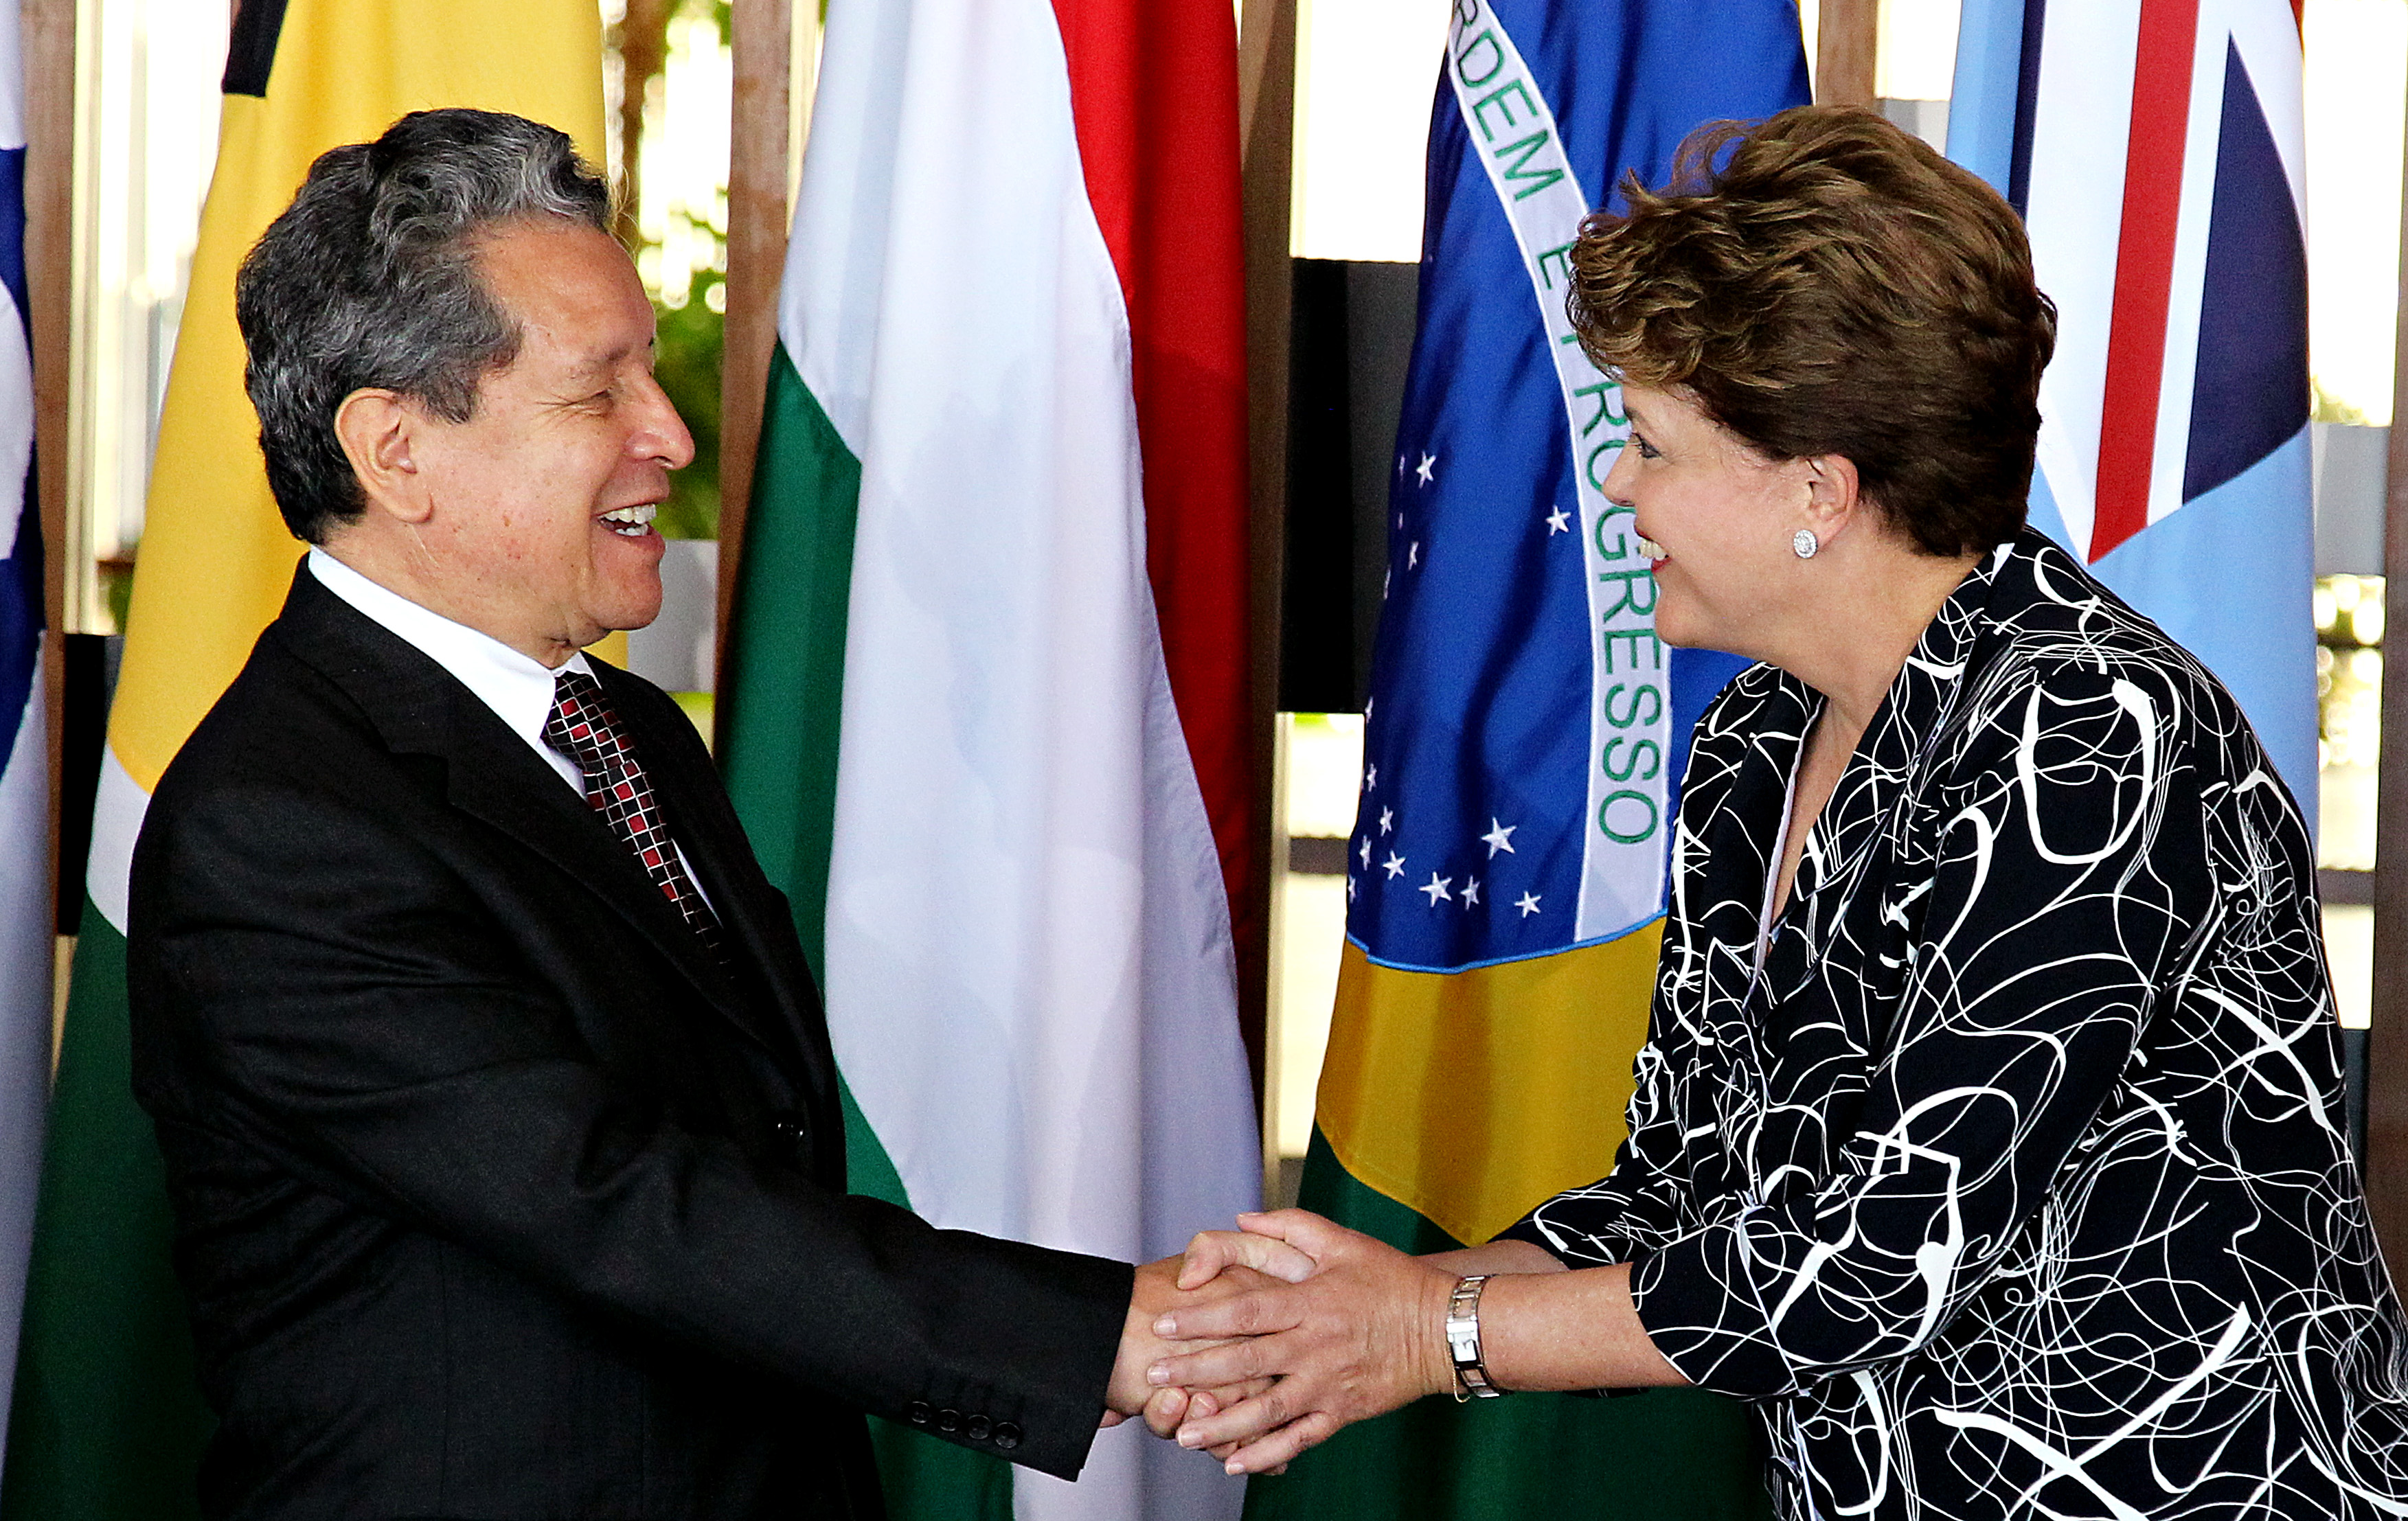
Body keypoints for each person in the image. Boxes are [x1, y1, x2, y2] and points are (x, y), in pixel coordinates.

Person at [1143, 106, 2408, 1518]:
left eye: (1656, 445)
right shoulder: (1758, 735)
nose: (1618, 484)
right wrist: (1342, 1309)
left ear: (1820, 487)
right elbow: (1680, 1199)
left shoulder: (2091, 731)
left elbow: (1880, 1257)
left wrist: (1421, 1336)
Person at [125, 107, 1256, 1521]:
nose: (668, 432)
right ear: (396, 450)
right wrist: (1107, 1334)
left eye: (648, 367)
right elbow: (621, 1198)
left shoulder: (623, 727)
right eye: (599, 393)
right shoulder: (280, 823)